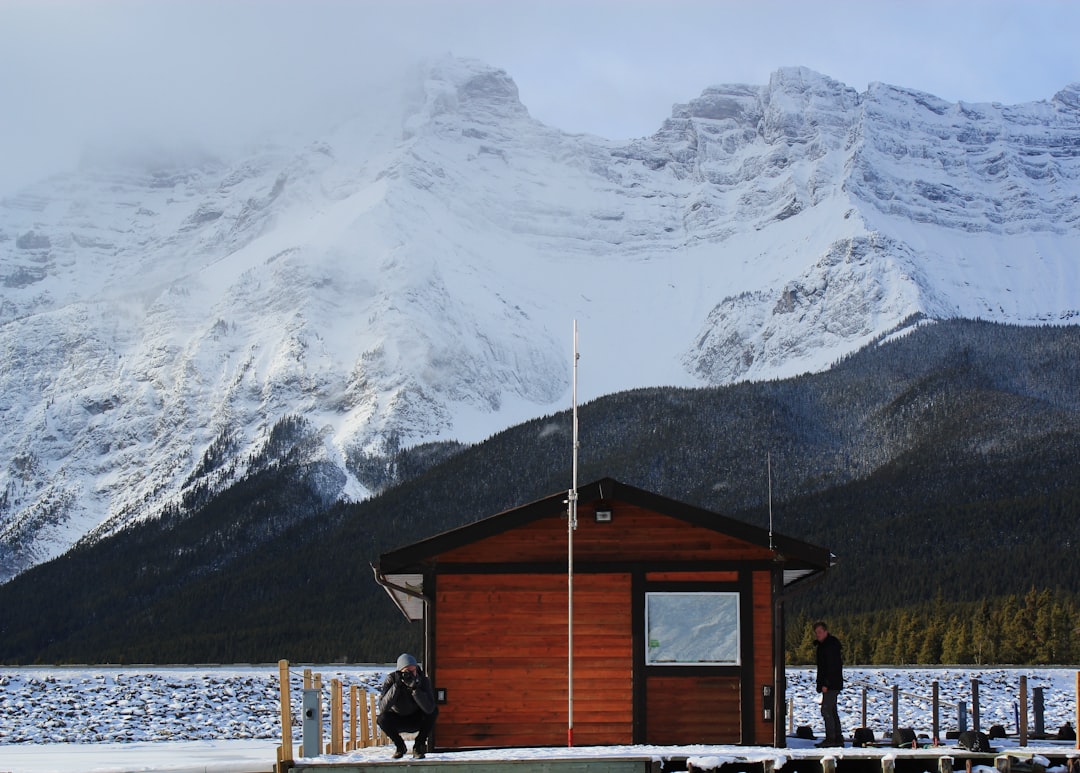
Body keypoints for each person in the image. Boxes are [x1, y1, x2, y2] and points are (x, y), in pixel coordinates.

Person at [377, 653, 438, 759]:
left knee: (434, 712)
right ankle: (400, 746)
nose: (410, 674)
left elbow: (429, 708)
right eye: (407, 671)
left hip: (416, 717)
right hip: (397, 717)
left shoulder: (423, 680)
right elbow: (383, 707)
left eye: (413, 670)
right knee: (382, 719)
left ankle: (419, 746)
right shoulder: (391, 679)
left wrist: (415, 690)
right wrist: (397, 687)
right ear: (400, 671)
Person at [813, 621, 844, 747]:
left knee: (826, 710)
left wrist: (826, 683)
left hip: (831, 684)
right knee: (831, 710)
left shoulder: (830, 646)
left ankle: (831, 738)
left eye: (820, 632)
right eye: (816, 633)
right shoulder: (826, 645)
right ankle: (837, 738)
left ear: (826, 632)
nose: (818, 635)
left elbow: (831, 667)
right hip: (833, 683)